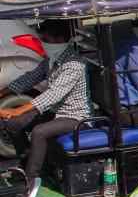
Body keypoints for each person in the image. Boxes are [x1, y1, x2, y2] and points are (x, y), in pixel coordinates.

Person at [0, 19, 89, 183]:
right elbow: (29, 78)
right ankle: (27, 162)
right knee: (13, 124)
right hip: (55, 113)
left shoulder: (75, 64)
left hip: (75, 117)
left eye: (46, 40)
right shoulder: (51, 60)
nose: (44, 44)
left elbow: (53, 94)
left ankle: (32, 178)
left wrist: (18, 109)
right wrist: (3, 93)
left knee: (39, 131)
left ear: (59, 40)